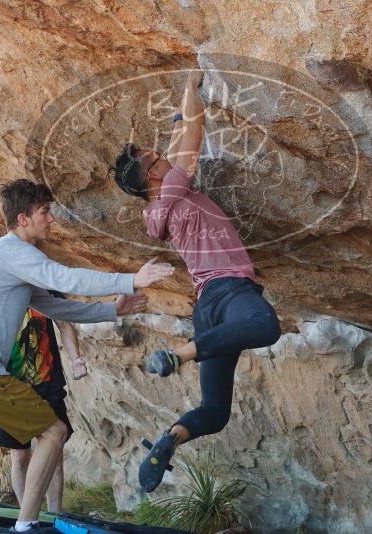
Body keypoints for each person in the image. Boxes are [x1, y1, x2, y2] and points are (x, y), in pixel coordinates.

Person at [0, 178, 173, 534]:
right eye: (44, 212)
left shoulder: (4, 257)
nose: (51, 219)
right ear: (23, 218)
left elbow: (54, 305)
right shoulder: (16, 253)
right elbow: (65, 278)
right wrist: (131, 278)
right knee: (54, 432)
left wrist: (111, 311)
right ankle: (27, 525)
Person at [111, 70, 282, 493]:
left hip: (206, 308)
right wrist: (190, 87)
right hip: (228, 290)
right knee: (267, 327)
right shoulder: (172, 185)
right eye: (153, 157)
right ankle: (179, 355)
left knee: (214, 411)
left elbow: (173, 146)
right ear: (152, 175)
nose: (162, 155)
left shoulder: (154, 208)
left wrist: (171, 128)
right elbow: (194, 128)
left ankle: (170, 438)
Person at [0, 292, 84, 513]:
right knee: (19, 456)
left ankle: (54, 514)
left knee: (54, 452)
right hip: (10, 390)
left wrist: (75, 359)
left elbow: (64, 324)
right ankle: (27, 514)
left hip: (47, 386)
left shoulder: (45, 290)